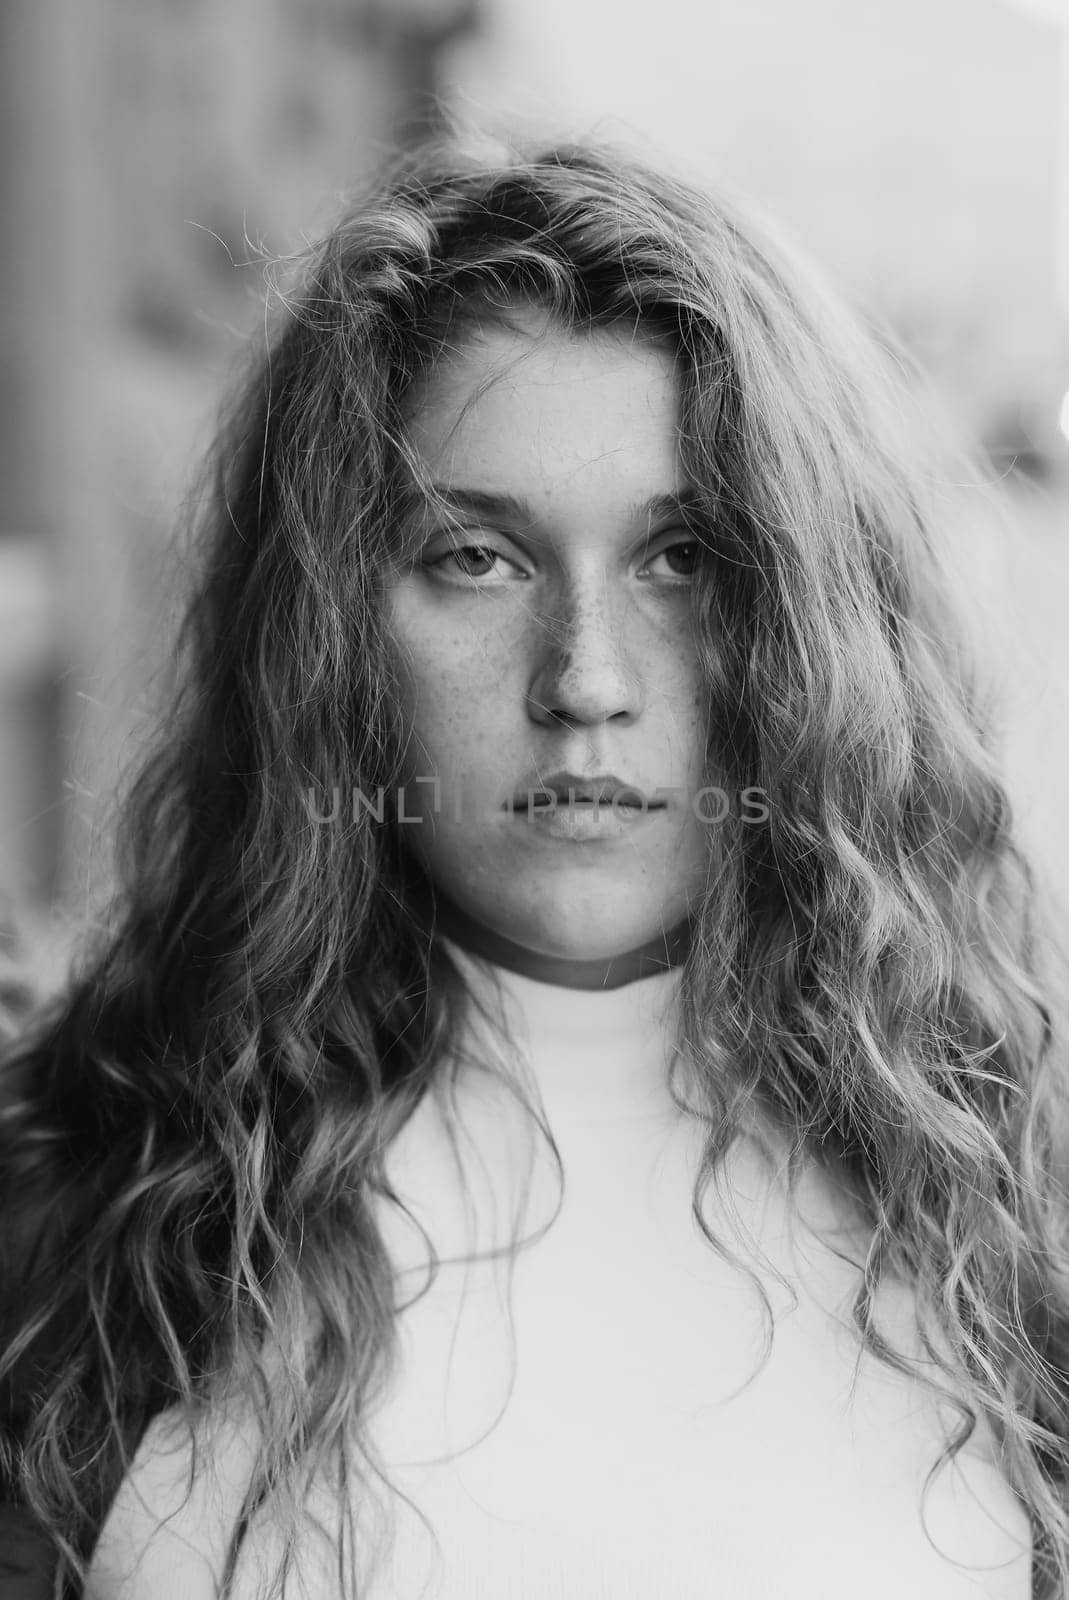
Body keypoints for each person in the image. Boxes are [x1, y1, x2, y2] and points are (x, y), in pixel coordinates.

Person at [1, 129, 1067, 1600]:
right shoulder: (77, 1197)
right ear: (330, 634)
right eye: (474, 558)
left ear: (807, 615)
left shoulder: (1016, 1202)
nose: (584, 680)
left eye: (680, 557)